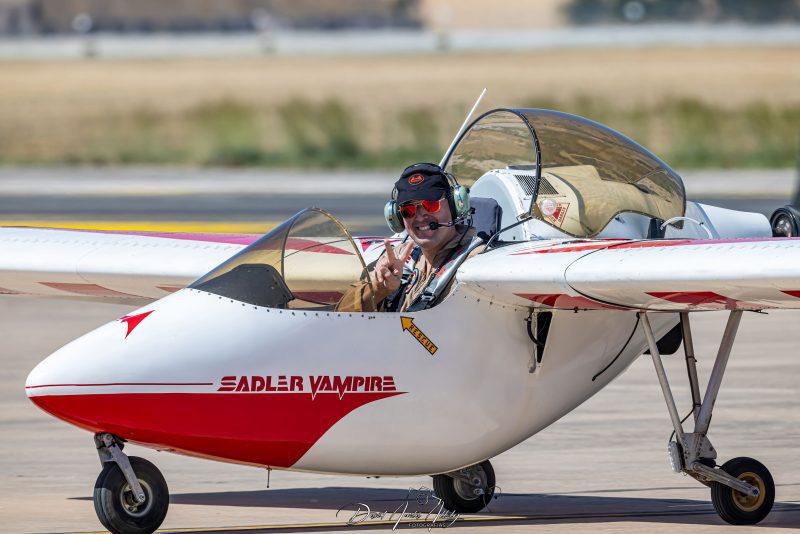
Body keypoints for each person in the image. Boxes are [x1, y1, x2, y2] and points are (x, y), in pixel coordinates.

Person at [337, 163, 482, 313]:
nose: (420, 216)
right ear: (398, 218)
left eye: (430, 205)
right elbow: (342, 312)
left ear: (454, 205)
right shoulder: (398, 257)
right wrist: (380, 288)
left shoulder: (476, 260)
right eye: (408, 210)